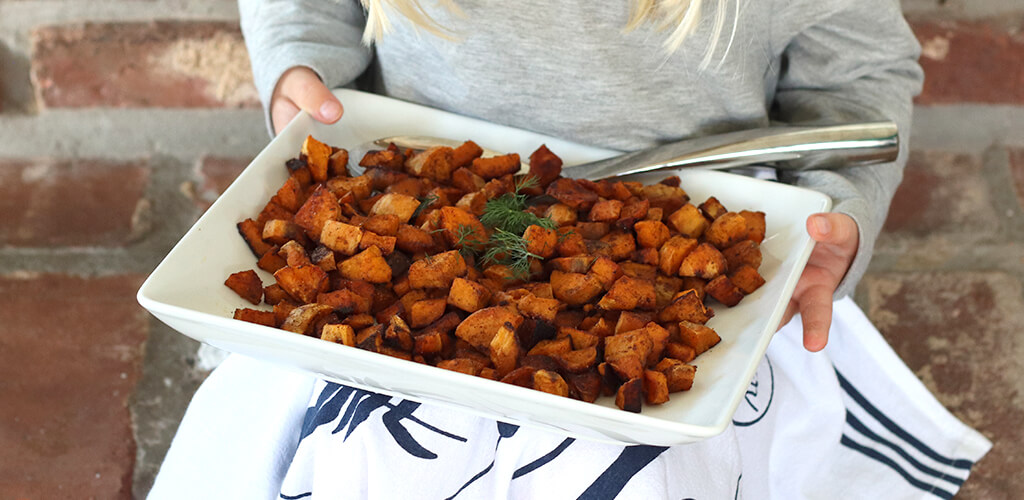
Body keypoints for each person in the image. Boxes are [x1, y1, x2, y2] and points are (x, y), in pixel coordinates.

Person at [148, 1, 991, 498]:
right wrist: (302, 67)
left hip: (715, 312)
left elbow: (858, 79)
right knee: (350, 458)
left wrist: (836, 212)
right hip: (407, 250)